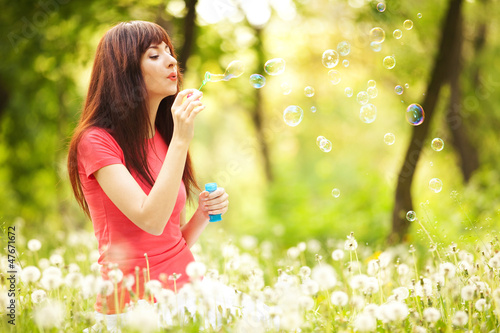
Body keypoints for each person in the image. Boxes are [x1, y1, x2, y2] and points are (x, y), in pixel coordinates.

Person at [67, 20, 229, 321]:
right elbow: (150, 220)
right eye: (154, 55)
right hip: (134, 308)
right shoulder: (96, 142)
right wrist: (182, 138)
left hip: (189, 293)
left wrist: (203, 215)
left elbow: (164, 241)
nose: (171, 60)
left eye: (170, 52)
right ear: (124, 71)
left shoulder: (164, 138)